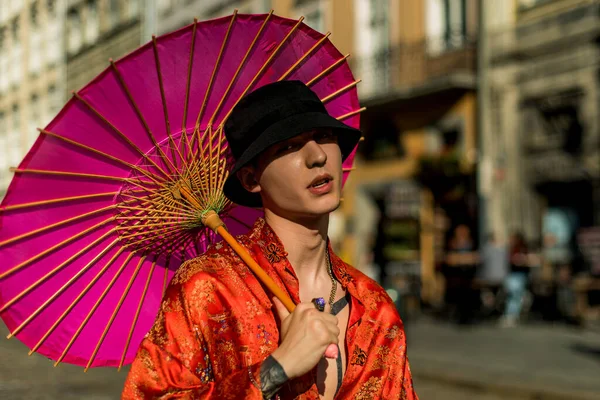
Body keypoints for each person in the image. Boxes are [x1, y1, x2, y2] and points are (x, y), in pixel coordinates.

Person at [122, 81, 418, 399]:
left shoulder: (376, 309)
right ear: (251, 179)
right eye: (287, 146)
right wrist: (274, 370)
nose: (317, 156)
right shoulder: (209, 288)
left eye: (324, 136)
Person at [500, 232, 531, 327]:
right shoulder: (510, 249)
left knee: (515, 296)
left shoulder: (522, 249)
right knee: (513, 296)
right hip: (513, 275)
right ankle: (511, 315)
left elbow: (527, 260)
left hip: (519, 275)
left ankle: (511, 315)